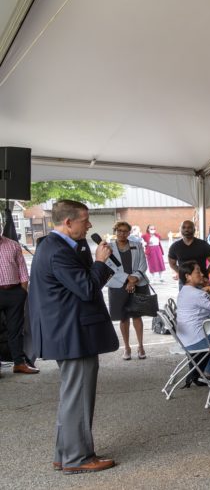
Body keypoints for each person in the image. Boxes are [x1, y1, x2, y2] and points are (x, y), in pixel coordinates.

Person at [29, 200, 118, 474]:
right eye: (85, 220)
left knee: (71, 397)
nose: (89, 225)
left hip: (68, 331)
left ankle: (64, 453)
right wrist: (101, 262)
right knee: (78, 398)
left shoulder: (56, 246)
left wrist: (91, 258)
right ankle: (78, 458)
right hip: (72, 333)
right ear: (68, 222)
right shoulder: (57, 252)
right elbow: (87, 288)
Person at [104, 221, 151, 361]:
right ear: (115, 231)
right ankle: (127, 347)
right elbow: (108, 268)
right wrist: (127, 279)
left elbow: (143, 265)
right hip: (118, 286)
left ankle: (141, 346)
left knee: (137, 316)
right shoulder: (109, 248)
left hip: (138, 284)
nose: (121, 233)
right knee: (123, 318)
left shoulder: (137, 245)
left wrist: (133, 279)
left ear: (129, 233)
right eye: (119, 230)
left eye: (125, 231)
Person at [174, 260, 210, 387]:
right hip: (196, 340)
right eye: (198, 272)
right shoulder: (197, 294)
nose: (202, 274)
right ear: (188, 276)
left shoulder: (185, 291)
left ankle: (204, 373)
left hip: (185, 338)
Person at [0, 229, 32, 374]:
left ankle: (19, 363)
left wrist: (23, 291)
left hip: (15, 293)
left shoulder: (13, 245)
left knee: (16, 330)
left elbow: (22, 268)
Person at [167, 220, 210, 289]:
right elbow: (172, 264)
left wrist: (205, 274)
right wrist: (182, 274)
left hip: (202, 281)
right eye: (184, 227)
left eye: (189, 227)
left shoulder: (203, 244)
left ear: (194, 230)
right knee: (186, 299)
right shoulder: (175, 246)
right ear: (181, 230)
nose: (186, 229)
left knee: (204, 299)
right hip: (185, 282)